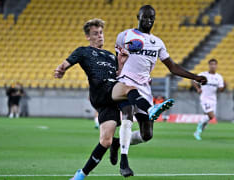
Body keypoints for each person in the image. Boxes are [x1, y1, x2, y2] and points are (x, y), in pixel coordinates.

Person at [54, 19, 172, 180]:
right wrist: (61, 69)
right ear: (88, 37)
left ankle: (80, 175)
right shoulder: (83, 51)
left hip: (110, 98)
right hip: (101, 90)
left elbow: (118, 75)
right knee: (129, 88)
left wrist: (121, 63)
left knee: (106, 141)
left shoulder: (111, 55)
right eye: (95, 34)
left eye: (101, 33)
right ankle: (151, 109)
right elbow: (67, 62)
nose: (100, 36)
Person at [112, 5, 208, 177]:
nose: (148, 20)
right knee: (127, 115)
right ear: (138, 17)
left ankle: (118, 143)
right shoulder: (125, 35)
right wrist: (115, 75)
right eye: (145, 17)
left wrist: (194, 76)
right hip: (126, 82)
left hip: (144, 88)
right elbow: (117, 58)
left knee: (147, 134)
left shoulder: (158, 43)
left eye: (151, 18)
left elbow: (172, 67)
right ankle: (124, 162)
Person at [193, 59, 225, 140]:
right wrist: (198, 89)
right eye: (211, 64)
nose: (213, 66)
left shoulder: (219, 77)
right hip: (204, 98)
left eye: (214, 64)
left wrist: (222, 88)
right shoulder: (203, 75)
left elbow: (221, 88)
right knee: (211, 115)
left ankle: (199, 131)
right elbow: (194, 81)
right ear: (209, 65)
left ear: (216, 66)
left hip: (213, 99)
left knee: (209, 118)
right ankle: (198, 127)